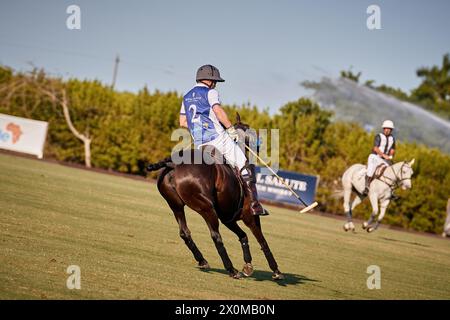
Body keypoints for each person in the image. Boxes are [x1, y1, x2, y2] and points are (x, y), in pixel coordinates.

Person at [179, 64, 268, 216]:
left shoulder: (186, 96)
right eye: (215, 81)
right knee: (243, 163)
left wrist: (201, 124)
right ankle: (254, 205)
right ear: (209, 81)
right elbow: (218, 111)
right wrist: (230, 129)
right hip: (217, 138)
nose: (215, 84)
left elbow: (183, 122)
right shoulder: (210, 92)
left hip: (200, 142)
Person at [363, 120, 396, 196]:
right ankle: (366, 187)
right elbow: (375, 148)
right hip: (375, 156)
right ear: (383, 129)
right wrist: (384, 155)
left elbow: (392, 149)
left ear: (391, 130)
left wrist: (391, 155)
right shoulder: (379, 136)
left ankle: (391, 191)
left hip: (384, 159)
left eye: (389, 129)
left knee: (392, 171)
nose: (387, 130)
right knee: (372, 169)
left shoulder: (392, 139)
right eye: (386, 128)